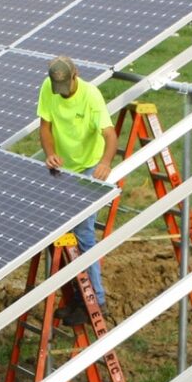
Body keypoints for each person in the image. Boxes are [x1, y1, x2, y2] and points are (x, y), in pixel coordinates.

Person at [38, 55, 117, 322]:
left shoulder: (91, 96)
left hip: (87, 166)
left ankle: (97, 299)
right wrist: (49, 153)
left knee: (83, 233)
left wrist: (105, 163)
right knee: (59, 232)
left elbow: (109, 134)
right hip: (63, 167)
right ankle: (75, 297)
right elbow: (45, 126)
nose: (62, 93)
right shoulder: (48, 89)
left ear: (76, 75)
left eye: (66, 87)